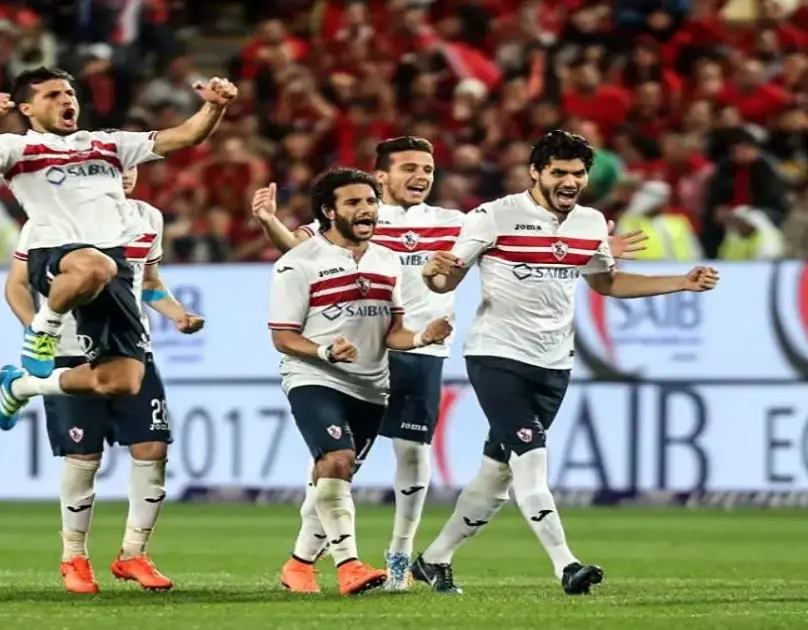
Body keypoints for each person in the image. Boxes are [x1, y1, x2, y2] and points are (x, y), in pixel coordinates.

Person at [251, 137, 647, 592]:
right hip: (365, 352)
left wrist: (587, 244)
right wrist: (269, 221)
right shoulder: (360, 216)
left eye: (428, 168)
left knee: (411, 456)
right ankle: (307, 559)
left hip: (422, 350)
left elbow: (521, 242)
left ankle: (398, 560)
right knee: (338, 462)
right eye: (409, 167)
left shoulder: (453, 222)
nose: (421, 176)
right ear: (382, 176)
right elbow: (299, 251)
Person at [414, 130, 719, 596]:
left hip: (554, 363)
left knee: (498, 473)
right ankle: (567, 566)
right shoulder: (494, 216)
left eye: (578, 173)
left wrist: (680, 281)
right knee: (532, 460)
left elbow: (606, 285)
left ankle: (434, 559)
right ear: (535, 172)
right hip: (497, 356)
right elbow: (447, 279)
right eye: (559, 172)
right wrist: (431, 276)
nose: (570, 181)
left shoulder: (591, 223)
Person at [0, 66, 233, 427]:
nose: (66, 99)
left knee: (122, 380)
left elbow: (187, 135)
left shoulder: (109, 143)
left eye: (69, 93)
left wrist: (215, 107)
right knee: (96, 265)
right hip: (55, 253)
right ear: (27, 109)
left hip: (113, 270)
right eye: (52, 95)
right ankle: (44, 329)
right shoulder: (17, 147)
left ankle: (22, 387)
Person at [4, 166, 204, 594]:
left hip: (132, 348)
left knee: (153, 447)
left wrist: (177, 314)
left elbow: (149, 283)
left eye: (128, 166)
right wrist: (37, 330)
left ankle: (133, 554)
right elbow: (17, 284)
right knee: (84, 456)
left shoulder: (148, 217)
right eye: (113, 168)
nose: (124, 175)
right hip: (68, 349)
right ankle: (74, 557)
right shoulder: (49, 219)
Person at [266, 167, 452, 595]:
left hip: (371, 386)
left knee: (336, 474)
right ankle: (348, 565)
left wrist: (422, 337)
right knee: (337, 459)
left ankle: (298, 565)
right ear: (329, 211)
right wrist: (325, 352)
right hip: (315, 376)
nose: (366, 209)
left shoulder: (387, 260)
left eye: (370, 201)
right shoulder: (297, 263)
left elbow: (393, 333)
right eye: (353, 202)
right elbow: (283, 337)